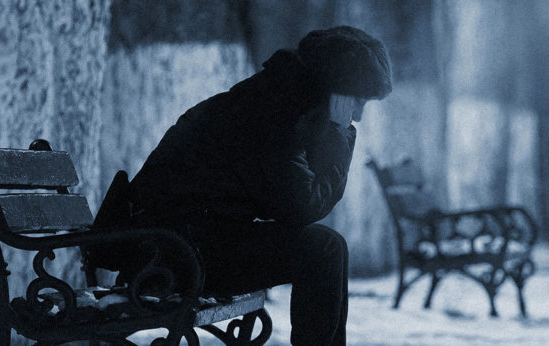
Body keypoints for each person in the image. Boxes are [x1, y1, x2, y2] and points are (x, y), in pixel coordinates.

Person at [128, 26, 391, 345]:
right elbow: (301, 207)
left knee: (325, 247)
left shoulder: (277, 100)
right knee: (322, 248)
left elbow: (290, 203)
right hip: (170, 254)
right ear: (335, 92)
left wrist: (334, 131)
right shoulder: (271, 114)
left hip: (182, 242)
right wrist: (338, 131)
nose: (358, 116)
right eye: (357, 101)